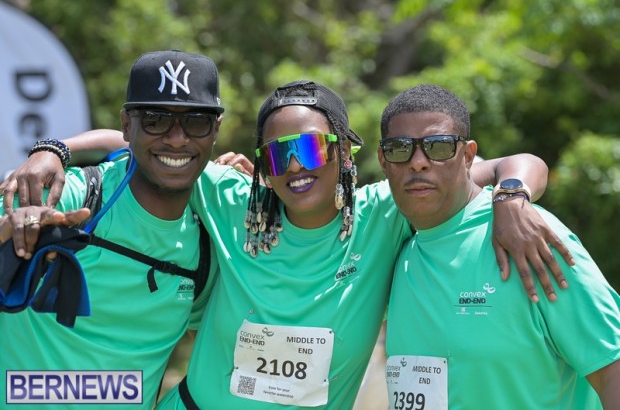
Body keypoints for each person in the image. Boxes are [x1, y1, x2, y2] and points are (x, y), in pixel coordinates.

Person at [1, 80, 571, 409]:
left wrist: (512, 198)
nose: (295, 167)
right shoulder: (229, 197)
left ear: (344, 151)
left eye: (311, 149)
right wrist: (54, 149)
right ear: (263, 166)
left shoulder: (383, 213)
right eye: (278, 154)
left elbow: (515, 163)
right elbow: (145, 147)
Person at [0, 49, 222, 409]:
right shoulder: (63, 196)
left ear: (216, 130)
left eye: (196, 121)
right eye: (155, 119)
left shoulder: (209, 239)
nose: (177, 138)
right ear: (127, 125)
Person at [380, 84, 620, 409]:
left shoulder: (526, 234)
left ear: (467, 156)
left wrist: (510, 195)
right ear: (383, 160)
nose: (418, 163)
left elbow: (612, 368)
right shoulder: (390, 242)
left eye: (439, 147)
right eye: (399, 149)